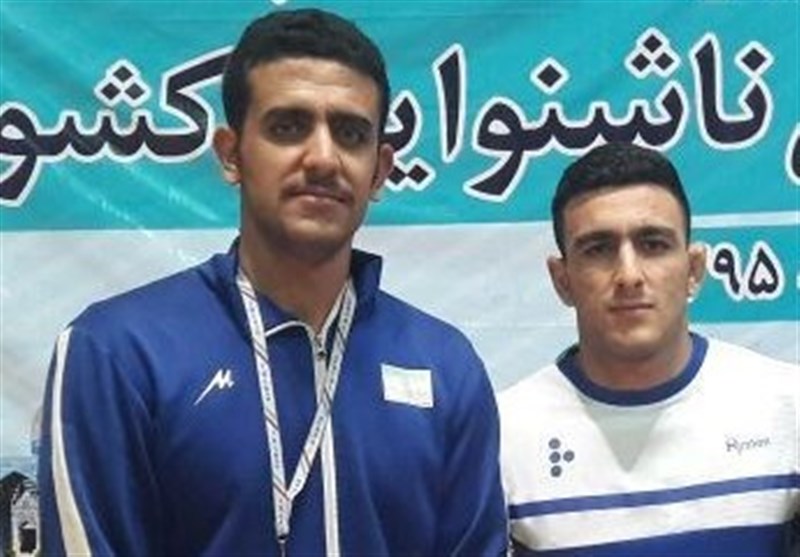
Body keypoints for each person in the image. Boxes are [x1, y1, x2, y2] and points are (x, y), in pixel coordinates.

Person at [37, 8, 507, 555]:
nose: (323, 158)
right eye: (288, 127)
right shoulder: (119, 352)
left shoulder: (446, 366)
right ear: (231, 154)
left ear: (379, 170)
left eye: (350, 134)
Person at [499, 142, 800, 556]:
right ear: (562, 279)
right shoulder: (504, 434)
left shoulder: (787, 406)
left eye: (653, 244)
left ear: (694, 269)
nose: (629, 275)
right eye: (598, 249)